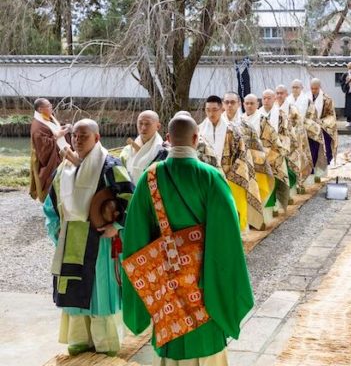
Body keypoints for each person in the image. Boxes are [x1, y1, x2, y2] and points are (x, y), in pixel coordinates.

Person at [122, 114, 254, 365]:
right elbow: (227, 237)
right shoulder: (210, 177)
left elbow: (135, 237)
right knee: (208, 343)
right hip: (204, 282)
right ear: (196, 139)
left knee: (171, 345)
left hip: (167, 284)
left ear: (168, 139)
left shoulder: (150, 178)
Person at [43, 119, 134, 356]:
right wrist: (56, 227)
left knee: (99, 292)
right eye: (75, 136)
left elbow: (130, 197)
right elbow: (51, 202)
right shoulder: (64, 168)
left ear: (97, 137)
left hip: (99, 239)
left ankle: (105, 343)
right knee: (74, 290)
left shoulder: (110, 165)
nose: (78, 140)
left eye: (84, 136)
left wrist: (117, 226)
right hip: (71, 237)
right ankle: (79, 339)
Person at [198, 95, 262, 233]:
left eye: (214, 110)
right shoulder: (199, 131)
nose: (211, 114)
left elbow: (242, 156)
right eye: (208, 110)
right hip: (206, 178)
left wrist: (231, 175)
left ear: (221, 109)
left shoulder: (233, 131)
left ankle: (235, 234)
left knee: (231, 209)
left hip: (231, 177)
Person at [223, 92, 275, 227]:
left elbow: (257, 148)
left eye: (233, 102)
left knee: (241, 199)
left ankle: (243, 227)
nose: (229, 105)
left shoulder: (247, 125)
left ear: (238, 104)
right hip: (219, 170)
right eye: (227, 102)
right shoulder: (215, 123)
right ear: (223, 104)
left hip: (243, 169)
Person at [30, 98, 74, 201]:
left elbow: (53, 130)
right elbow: (43, 145)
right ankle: (53, 201)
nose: (51, 108)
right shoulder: (37, 125)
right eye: (48, 106)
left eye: (50, 105)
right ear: (40, 109)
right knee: (55, 180)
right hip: (53, 156)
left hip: (62, 151)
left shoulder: (48, 117)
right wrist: (59, 135)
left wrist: (64, 128)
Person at [258, 89, 292, 212]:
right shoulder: (258, 114)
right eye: (264, 98)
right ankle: (265, 204)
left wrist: (278, 147)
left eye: (269, 98)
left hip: (276, 150)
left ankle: (276, 202)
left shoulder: (281, 115)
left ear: (274, 99)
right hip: (260, 151)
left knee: (277, 177)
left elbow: (286, 133)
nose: (266, 100)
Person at [276, 85, 312, 192]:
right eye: (277, 93)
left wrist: (289, 138)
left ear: (286, 94)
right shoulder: (274, 107)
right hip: (276, 142)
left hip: (291, 142)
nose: (279, 95)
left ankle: (293, 189)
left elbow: (298, 127)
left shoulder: (292, 109)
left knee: (292, 165)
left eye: (281, 93)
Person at [119, 110, 167, 185]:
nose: (143, 128)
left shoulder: (163, 151)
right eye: (140, 123)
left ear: (158, 126)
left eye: (147, 124)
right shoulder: (127, 150)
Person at [309, 78, 338, 178]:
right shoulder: (306, 98)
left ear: (320, 87)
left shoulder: (327, 99)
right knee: (309, 155)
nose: (313, 91)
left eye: (316, 88)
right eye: (312, 88)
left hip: (322, 130)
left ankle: (320, 177)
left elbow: (331, 116)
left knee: (321, 155)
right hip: (309, 131)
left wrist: (321, 122)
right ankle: (309, 177)